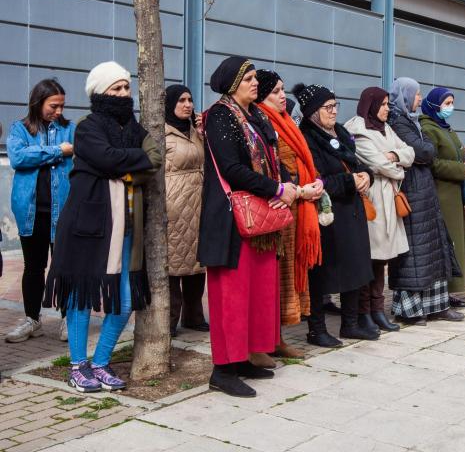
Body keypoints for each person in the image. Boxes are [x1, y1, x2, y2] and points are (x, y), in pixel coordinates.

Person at [45, 61, 162, 392]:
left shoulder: (136, 129)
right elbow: (105, 156)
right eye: (116, 88)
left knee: (125, 301)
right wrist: (123, 164)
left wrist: (121, 168)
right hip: (88, 225)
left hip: (126, 229)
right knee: (82, 295)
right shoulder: (86, 126)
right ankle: (78, 366)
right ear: (100, 92)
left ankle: (100, 362)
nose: (124, 94)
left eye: (126, 87)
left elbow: (153, 160)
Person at [198, 56, 298, 397]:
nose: (256, 83)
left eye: (255, 78)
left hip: (257, 216)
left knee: (254, 292)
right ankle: (222, 370)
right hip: (230, 219)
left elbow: (272, 161)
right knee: (231, 296)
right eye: (249, 78)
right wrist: (277, 190)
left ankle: (242, 360)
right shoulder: (220, 116)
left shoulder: (254, 116)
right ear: (232, 83)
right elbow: (231, 167)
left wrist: (290, 184)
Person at [295, 82, 380, 347]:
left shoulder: (340, 132)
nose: (334, 112)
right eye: (328, 107)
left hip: (351, 211)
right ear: (312, 112)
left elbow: (357, 163)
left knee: (355, 267)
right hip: (327, 214)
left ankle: (350, 324)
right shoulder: (306, 138)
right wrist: (349, 182)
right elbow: (316, 179)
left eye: (335, 106)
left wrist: (367, 175)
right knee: (321, 274)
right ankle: (317, 330)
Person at [254, 70, 324, 365]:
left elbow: (300, 161)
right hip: (278, 206)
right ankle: (268, 339)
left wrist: (315, 182)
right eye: (275, 92)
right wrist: (299, 189)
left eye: (283, 90)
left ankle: (276, 338)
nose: (283, 96)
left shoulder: (285, 122)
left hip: (297, 205)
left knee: (284, 279)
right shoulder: (260, 121)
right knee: (274, 277)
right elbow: (275, 167)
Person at [386, 78, 465, 325]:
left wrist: (422, 151)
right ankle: (409, 309)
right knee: (416, 253)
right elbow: (425, 152)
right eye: (416, 94)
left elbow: (424, 151)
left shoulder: (411, 121)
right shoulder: (398, 121)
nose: (419, 99)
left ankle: (436, 305)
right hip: (411, 191)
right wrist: (422, 151)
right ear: (406, 97)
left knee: (434, 249)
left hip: (425, 191)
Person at [5, 79, 75, 344]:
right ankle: (32, 320)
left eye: (62, 106)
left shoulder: (70, 129)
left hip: (64, 211)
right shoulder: (20, 129)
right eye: (53, 106)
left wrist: (41, 153)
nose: (58, 111)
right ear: (38, 102)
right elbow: (18, 158)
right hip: (31, 212)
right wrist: (57, 151)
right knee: (33, 267)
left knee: (64, 268)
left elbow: (76, 154)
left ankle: (68, 319)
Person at [345, 87, 414, 333]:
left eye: (388, 103)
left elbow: (410, 151)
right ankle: (365, 313)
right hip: (373, 199)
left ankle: (377, 310)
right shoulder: (359, 130)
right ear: (371, 105)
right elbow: (376, 163)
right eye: (383, 104)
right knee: (370, 257)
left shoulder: (386, 128)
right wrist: (397, 167)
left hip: (389, 198)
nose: (387, 108)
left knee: (382, 259)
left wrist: (394, 155)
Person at [163, 85, 209, 339]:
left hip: (198, 205)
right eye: (181, 100)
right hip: (175, 205)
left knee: (196, 263)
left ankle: (194, 316)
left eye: (190, 100)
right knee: (173, 265)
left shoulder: (194, 131)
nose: (187, 104)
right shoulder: (161, 133)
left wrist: (203, 133)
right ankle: (168, 320)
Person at [420, 87, 465, 306]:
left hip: (454, 194)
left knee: (455, 245)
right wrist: (462, 170)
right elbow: (433, 163)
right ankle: (442, 293)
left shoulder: (445, 128)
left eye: (452, 102)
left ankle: (450, 292)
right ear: (434, 105)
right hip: (441, 194)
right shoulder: (428, 128)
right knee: (446, 244)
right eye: (446, 103)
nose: (450, 107)